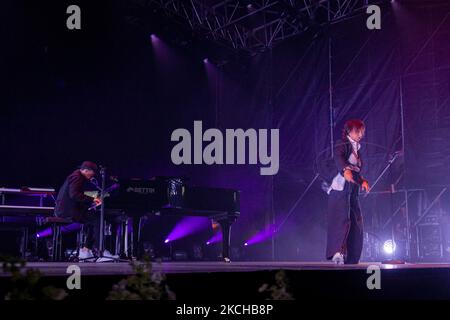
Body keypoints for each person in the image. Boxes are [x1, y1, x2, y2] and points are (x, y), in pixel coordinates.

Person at [326, 119, 370, 265]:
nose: (360, 134)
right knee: (341, 221)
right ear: (349, 131)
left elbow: (356, 170)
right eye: (358, 131)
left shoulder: (357, 148)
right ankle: (338, 253)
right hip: (340, 189)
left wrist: (362, 181)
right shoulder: (342, 144)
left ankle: (353, 257)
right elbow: (339, 159)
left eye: (362, 131)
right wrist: (345, 170)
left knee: (356, 222)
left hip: (352, 190)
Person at [54, 161, 114, 260]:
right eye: (92, 174)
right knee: (97, 220)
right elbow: (74, 195)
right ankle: (100, 252)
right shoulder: (77, 177)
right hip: (67, 211)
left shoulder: (76, 175)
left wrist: (91, 202)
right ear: (86, 170)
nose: (92, 176)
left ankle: (86, 250)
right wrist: (93, 199)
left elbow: (76, 195)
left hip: (68, 209)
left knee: (93, 220)